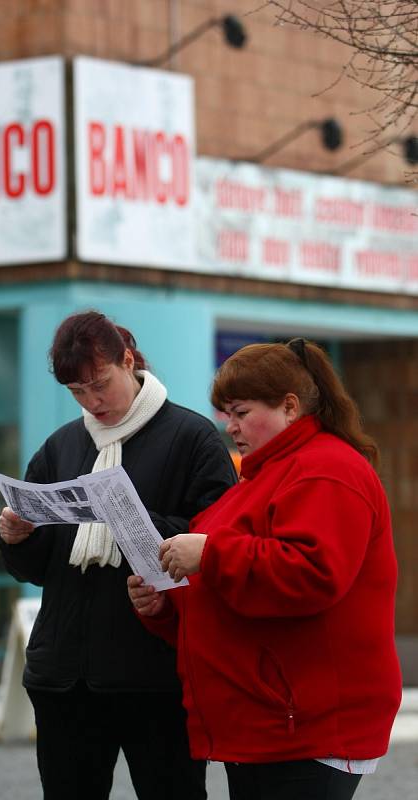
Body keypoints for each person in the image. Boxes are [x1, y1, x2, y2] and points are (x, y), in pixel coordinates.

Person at [128, 338, 402, 800]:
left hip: (305, 722)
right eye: (226, 414)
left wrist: (210, 554)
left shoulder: (326, 470)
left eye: (240, 412)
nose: (229, 426)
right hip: (270, 720)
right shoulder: (266, 475)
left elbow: (312, 574)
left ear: (290, 407)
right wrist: (165, 604)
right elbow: (229, 592)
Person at [0, 310, 237, 800]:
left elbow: (218, 543)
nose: (92, 401)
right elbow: (38, 570)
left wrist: (129, 517)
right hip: (65, 678)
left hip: (154, 675)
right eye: (77, 392)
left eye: (100, 383)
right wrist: (18, 537)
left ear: (128, 361)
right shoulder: (62, 446)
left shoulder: (192, 439)